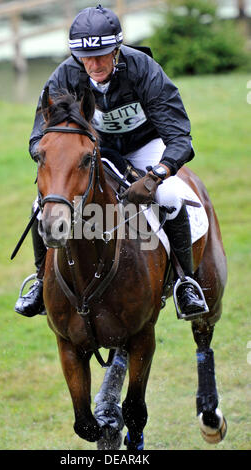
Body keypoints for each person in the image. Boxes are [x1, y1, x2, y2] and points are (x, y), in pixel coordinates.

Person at [14, 4, 207, 319]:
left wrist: (158, 174)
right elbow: (38, 138)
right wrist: (56, 154)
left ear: (117, 49)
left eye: (102, 55)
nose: (93, 64)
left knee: (170, 196)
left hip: (145, 146)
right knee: (41, 206)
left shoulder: (143, 69)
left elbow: (180, 138)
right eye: (85, 57)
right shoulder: (65, 75)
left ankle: (185, 283)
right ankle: (39, 282)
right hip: (95, 153)